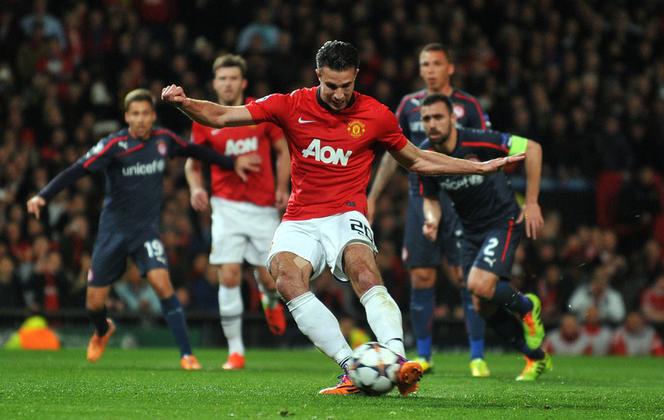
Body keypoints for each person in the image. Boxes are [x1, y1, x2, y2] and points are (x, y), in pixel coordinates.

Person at [161, 40, 522, 395]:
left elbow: (417, 159)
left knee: (362, 266)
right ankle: (351, 368)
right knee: (285, 277)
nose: (338, 94)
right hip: (301, 215)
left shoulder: (376, 115)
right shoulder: (290, 104)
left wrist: (482, 166)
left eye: (346, 86)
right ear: (318, 75)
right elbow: (222, 116)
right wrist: (184, 103)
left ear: (356, 77)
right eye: (331, 85)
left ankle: (397, 362)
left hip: (346, 211)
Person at [26, 88, 261, 369]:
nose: (140, 119)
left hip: (146, 231)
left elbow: (195, 150)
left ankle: (187, 355)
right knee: (93, 305)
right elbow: (78, 169)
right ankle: (103, 330)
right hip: (113, 232)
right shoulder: (113, 145)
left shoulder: (163, 140)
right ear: (127, 116)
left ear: (152, 116)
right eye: (134, 114)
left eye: (145, 113)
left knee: (163, 285)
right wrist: (44, 195)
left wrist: (231, 163)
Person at [367, 43, 491, 376]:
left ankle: (477, 356)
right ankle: (423, 355)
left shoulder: (469, 106)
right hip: (422, 199)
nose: (430, 69)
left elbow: (485, 151)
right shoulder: (409, 105)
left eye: (436, 63)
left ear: (450, 67)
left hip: (462, 202)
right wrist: (373, 196)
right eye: (425, 64)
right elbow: (393, 155)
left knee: (466, 277)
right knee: (422, 275)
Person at [417, 93, 550, 380]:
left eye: (438, 117)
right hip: (471, 230)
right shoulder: (425, 155)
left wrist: (531, 201)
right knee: (481, 303)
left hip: (502, 221)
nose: (432, 124)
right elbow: (431, 199)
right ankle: (535, 357)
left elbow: (533, 148)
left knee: (478, 283)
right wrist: (431, 220)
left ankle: (528, 306)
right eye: (426, 119)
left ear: (453, 118)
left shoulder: (478, 140)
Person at [185, 54, 290, 370]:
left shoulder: (256, 112)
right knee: (228, 275)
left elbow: (283, 150)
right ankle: (236, 351)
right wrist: (196, 188)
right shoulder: (204, 118)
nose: (227, 83)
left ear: (242, 83)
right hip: (226, 207)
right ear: (214, 83)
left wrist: (284, 187)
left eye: (233, 78)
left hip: (262, 208)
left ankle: (269, 299)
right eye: (222, 78)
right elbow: (193, 162)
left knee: (271, 280)